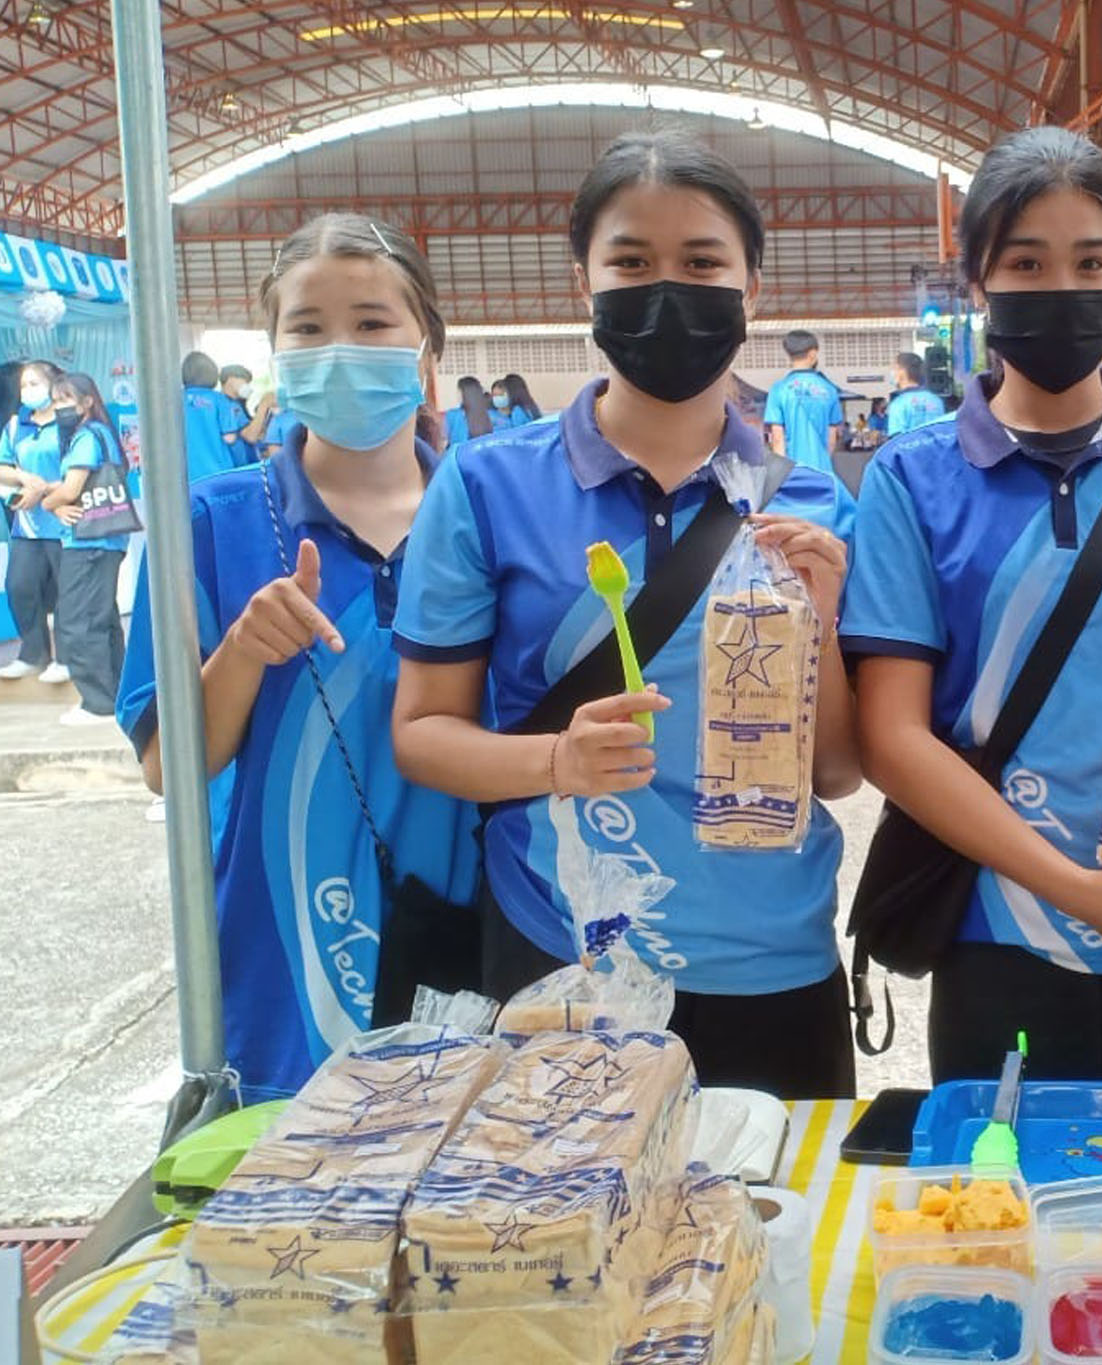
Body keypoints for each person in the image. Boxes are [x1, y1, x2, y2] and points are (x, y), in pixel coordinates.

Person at [392, 132, 861, 1100]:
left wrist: (818, 622)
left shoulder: (811, 508)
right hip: (561, 968)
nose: (666, 291)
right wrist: (552, 761)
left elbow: (837, 773)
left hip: (772, 968)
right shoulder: (487, 487)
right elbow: (423, 733)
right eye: (631, 263)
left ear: (751, 290)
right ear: (583, 282)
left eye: (700, 264)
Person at [845, 126, 1102, 1084]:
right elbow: (894, 740)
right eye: (1026, 262)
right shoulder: (914, 478)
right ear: (979, 283)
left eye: (1091, 261)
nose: (1061, 287)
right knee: (1009, 1216)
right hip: (1007, 924)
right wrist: (1082, 890)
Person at [119, 215, 478, 1103]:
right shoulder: (207, 523)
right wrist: (244, 648)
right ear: (277, 352)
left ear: (426, 343)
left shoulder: (490, 510)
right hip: (286, 958)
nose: (341, 350)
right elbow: (173, 765)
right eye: (308, 329)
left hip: (477, 936)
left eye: (371, 322)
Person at [39, 373, 129, 726]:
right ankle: (114, 693)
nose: (60, 408)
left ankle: (97, 703)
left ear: (87, 401)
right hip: (106, 540)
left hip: (88, 543)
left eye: (66, 401)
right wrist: (58, 500)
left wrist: (50, 504)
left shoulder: (86, 437)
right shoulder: (104, 434)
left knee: (77, 621)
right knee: (102, 620)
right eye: (56, 401)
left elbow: (71, 488)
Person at [0, 360, 69, 683]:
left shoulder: (69, 423)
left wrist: (44, 489)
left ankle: (67, 658)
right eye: (24, 385)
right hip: (27, 524)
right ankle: (33, 653)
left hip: (64, 521)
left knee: (67, 592)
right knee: (19, 586)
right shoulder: (15, 425)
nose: (27, 391)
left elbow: (81, 467)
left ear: (54, 385)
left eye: (34, 383)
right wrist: (23, 477)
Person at [764, 328, 845, 473]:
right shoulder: (829, 389)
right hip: (823, 472)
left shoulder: (778, 390)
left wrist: (782, 475)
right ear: (813, 354)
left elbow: (777, 438)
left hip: (792, 472)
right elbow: (831, 438)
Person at [182, 351, 242, 483]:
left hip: (186, 474)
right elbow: (229, 438)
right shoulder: (220, 400)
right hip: (218, 473)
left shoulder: (177, 399)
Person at [884, 352, 946, 437]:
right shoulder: (936, 401)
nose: (892, 373)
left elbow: (896, 440)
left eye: (894, 369)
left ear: (902, 371)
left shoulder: (899, 404)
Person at [221, 364, 273, 461]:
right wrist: (264, 404)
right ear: (231, 379)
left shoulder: (238, 405)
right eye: (245, 382)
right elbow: (251, 436)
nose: (248, 387)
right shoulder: (227, 406)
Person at [443, 375, 497, 449]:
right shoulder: (491, 415)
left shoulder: (453, 415)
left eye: (458, 391)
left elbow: (444, 441)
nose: (457, 395)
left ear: (464, 394)